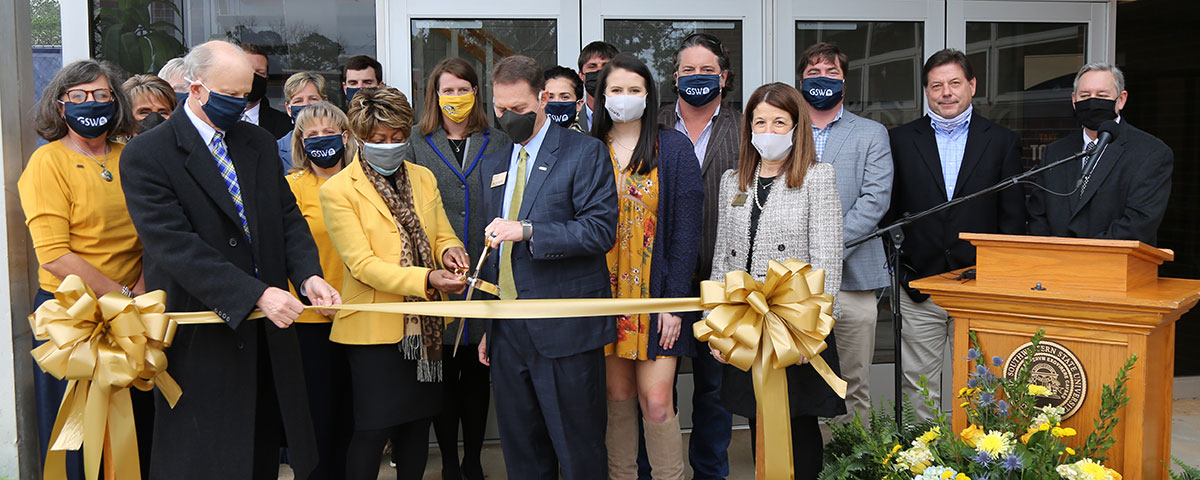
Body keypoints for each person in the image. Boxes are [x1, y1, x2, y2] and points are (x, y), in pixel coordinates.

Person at [119, 40, 340, 479]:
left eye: (247, 94)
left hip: (266, 340)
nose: (241, 105)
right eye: (230, 96)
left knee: (260, 451)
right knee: (202, 457)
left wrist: (309, 275)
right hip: (201, 339)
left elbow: (286, 217)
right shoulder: (148, 154)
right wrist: (256, 294)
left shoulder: (256, 142)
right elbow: (173, 245)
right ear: (196, 90)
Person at [476, 55, 618, 479]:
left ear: (541, 100)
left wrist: (530, 230)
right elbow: (493, 249)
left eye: (517, 109)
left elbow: (598, 231)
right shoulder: (493, 164)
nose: (507, 117)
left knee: (578, 452)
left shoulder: (584, 152)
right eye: (499, 109)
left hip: (564, 330)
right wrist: (488, 325)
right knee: (521, 453)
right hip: (507, 332)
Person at [319, 86, 468, 480]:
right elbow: (362, 265)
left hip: (424, 327)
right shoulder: (337, 190)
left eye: (399, 137)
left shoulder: (422, 177)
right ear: (356, 138)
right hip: (373, 333)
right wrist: (428, 278)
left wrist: (451, 252)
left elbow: (440, 234)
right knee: (372, 430)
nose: (390, 145)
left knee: (417, 425)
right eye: (379, 139)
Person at [706, 82, 845, 480]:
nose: (768, 130)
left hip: (794, 322)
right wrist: (719, 326)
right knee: (756, 417)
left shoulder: (817, 177)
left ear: (797, 127)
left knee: (797, 421)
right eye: (760, 122)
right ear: (749, 127)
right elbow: (722, 258)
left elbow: (827, 260)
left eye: (779, 122)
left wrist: (813, 332)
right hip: (746, 320)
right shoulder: (733, 180)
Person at [20, 58, 146, 480]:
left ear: (117, 102)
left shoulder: (132, 158)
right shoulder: (47, 163)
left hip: (133, 310)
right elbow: (53, 254)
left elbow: (150, 237)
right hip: (74, 319)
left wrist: (140, 298)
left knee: (135, 433)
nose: (90, 102)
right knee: (79, 437)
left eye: (101, 94)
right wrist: (121, 297)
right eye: (78, 96)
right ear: (61, 106)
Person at [886, 49, 1024, 420]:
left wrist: (1001, 279)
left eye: (954, 83)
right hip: (920, 283)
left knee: (985, 384)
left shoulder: (1001, 141)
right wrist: (899, 270)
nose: (946, 92)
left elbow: (1013, 218)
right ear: (926, 91)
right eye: (936, 86)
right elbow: (889, 210)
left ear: (972, 85)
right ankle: (922, 463)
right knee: (918, 385)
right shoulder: (899, 140)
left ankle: (982, 463)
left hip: (981, 287)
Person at [592, 53, 704, 480]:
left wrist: (672, 304)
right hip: (603, 299)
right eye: (615, 90)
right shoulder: (588, 147)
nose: (624, 98)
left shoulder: (672, 147)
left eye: (633, 90)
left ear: (649, 94)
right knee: (616, 398)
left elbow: (686, 233)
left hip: (657, 299)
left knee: (656, 401)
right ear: (602, 96)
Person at [410, 57, 509, 480]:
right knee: (441, 375)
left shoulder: (499, 140)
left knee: (475, 371)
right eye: (447, 90)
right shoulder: (415, 140)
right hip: (434, 274)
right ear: (434, 95)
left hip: (485, 269)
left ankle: (472, 461)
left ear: (476, 93)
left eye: (463, 89)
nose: (455, 97)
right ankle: (449, 461)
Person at [653, 33, 741, 480]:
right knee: (654, 388)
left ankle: (710, 472)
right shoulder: (656, 127)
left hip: (720, 281)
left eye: (707, 70)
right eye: (688, 70)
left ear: (723, 78)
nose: (697, 77)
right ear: (674, 77)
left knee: (713, 389)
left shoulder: (745, 130)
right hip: (661, 280)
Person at [797, 41, 893, 424]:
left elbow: (874, 201)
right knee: (796, 377)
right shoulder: (784, 129)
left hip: (853, 278)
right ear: (801, 81)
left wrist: (827, 251)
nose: (823, 80)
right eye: (814, 73)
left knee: (852, 381)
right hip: (791, 278)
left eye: (831, 73)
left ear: (844, 82)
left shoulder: (871, 133)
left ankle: (852, 460)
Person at [284, 101, 357, 480]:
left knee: (354, 416)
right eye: (310, 135)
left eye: (328, 132)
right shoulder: (291, 187)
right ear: (299, 142)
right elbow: (286, 248)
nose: (320, 141)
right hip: (311, 319)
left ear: (345, 137)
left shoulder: (364, 181)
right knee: (317, 415)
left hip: (362, 316)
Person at [1027, 62, 1173, 246]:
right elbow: (1037, 214)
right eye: (1085, 95)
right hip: (1054, 266)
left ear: (1121, 100)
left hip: (1114, 266)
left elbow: (1139, 222)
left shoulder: (1151, 153)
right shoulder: (1056, 151)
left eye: (1102, 95)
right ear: (1074, 100)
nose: (1092, 102)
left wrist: (1082, 253)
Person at [277, 72, 329, 169]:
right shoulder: (275, 150)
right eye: (298, 101)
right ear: (288, 109)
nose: (306, 105)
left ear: (325, 104)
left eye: (313, 99)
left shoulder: (340, 145)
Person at [240, 43, 293, 138]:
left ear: (266, 78)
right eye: (247, 70)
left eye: (260, 72)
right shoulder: (215, 119)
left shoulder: (285, 125)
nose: (253, 77)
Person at [576, 41, 619, 132]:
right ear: (581, 75)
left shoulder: (631, 119)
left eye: (606, 66)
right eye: (592, 66)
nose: (600, 71)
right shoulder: (571, 121)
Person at [544, 65, 584, 131]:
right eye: (550, 97)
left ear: (579, 104)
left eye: (565, 97)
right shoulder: (529, 140)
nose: (556, 101)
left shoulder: (589, 141)